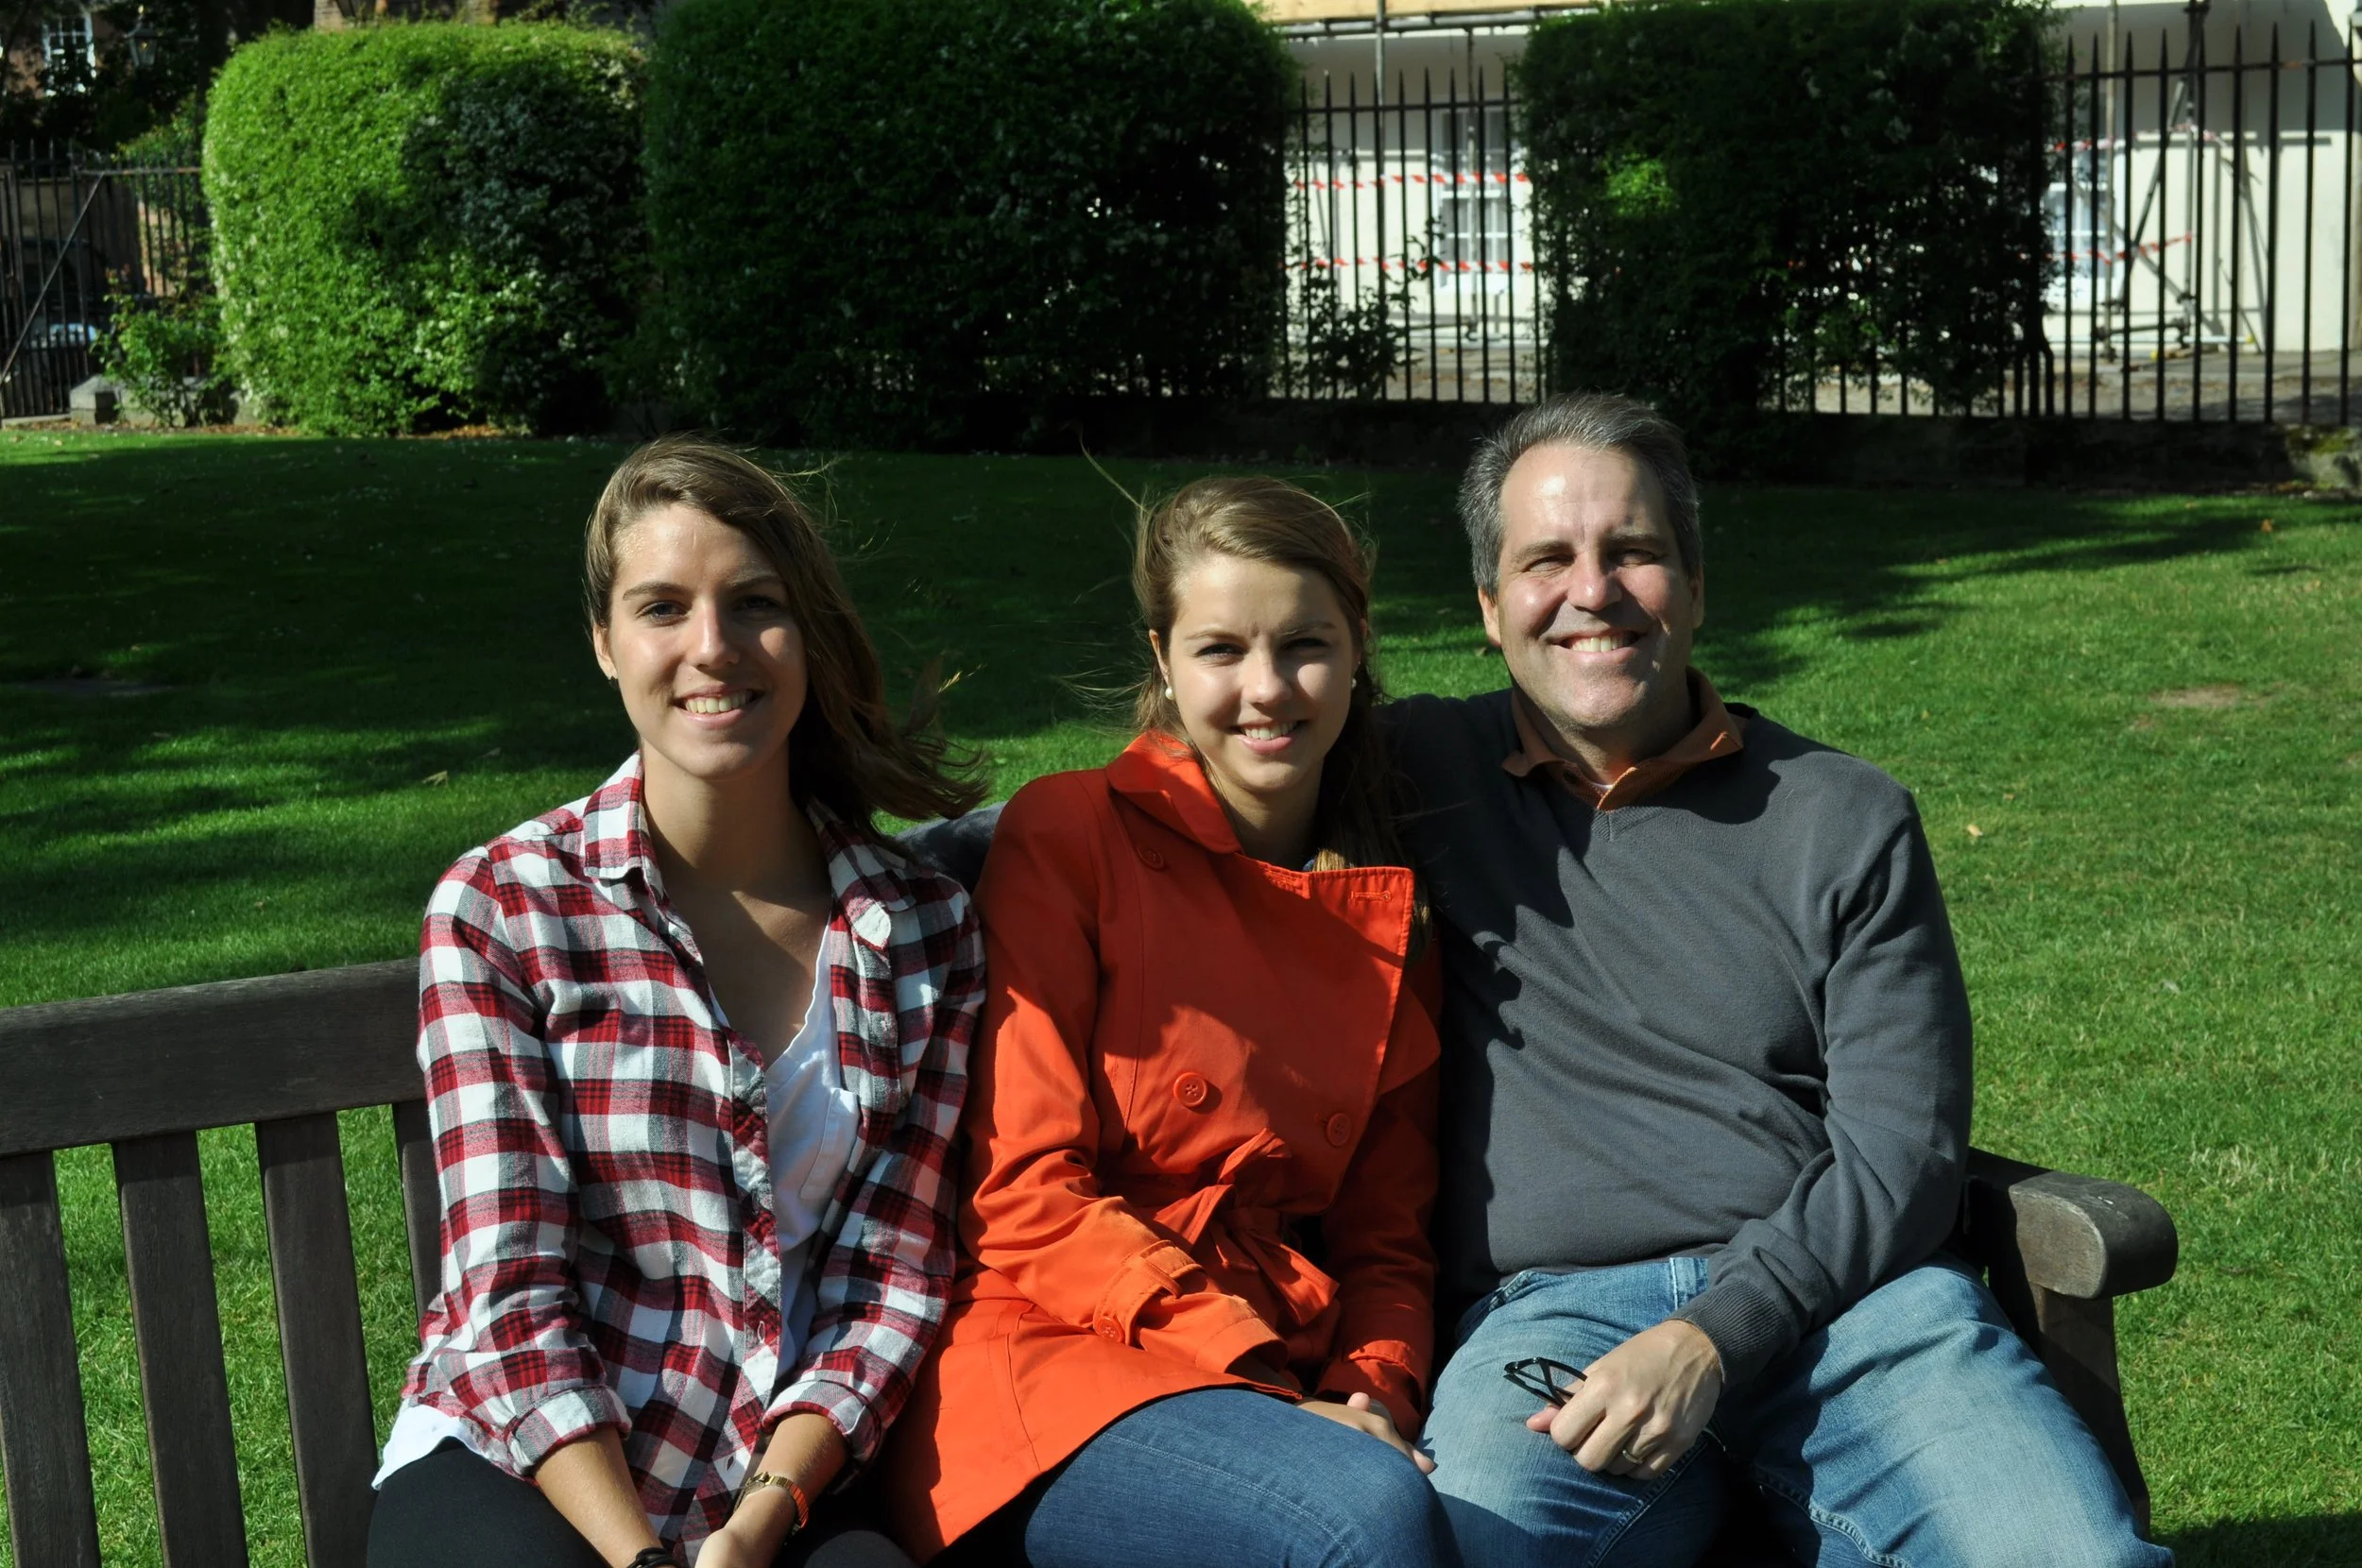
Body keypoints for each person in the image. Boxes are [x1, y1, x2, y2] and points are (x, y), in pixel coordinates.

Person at [1394, 393, 2171, 1568]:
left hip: (1855, 1308)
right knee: (1477, 1546)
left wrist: (1713, 1335)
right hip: (1551, 1322)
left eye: (1635, 551)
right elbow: (1209, 750)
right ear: (1489, 609)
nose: (1591, 590)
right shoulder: (1413, 774)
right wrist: (1009, 842)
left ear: (1695, 589)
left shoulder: (1840, 815)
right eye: (1546, 559)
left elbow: (1903, 1148)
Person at [368, 437, 987, 1568]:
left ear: (806, 637)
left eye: (755, 605)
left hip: (776, 1482)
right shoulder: (507, 907)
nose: (714, 647)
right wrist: (643, 1558)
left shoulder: (922, 929)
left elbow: (891, 1282)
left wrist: (753, 1527)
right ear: (605, 642)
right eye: (663, 607)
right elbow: (507, 1290)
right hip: (525, 1460)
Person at [881, 478, 1455, 1568]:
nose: (1266, 689)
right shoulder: (1071, 834)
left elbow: (1391, 1239)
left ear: (1359, 646)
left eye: (1304, 645)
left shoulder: (1392, 911)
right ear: (1162, 658)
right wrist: (1259, 1376)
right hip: (1050, 1356)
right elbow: (1022, 1193)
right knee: (1361, 1523)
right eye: (1220, 649)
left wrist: (1370, 1391)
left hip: (1275, 1371)